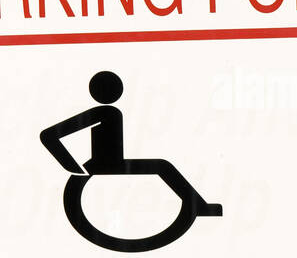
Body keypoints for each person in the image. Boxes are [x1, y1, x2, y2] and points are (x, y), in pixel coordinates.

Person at [39, 71, 222, 217]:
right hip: (106, 164)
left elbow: (50, 136)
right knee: (163, 166)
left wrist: (73, 166)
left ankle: (198, 206)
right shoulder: (104, 113)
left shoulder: (110, 112)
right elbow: (49, 136)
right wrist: (72, 166)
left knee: (162, 166)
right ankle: (199, 206)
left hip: (109, 163)